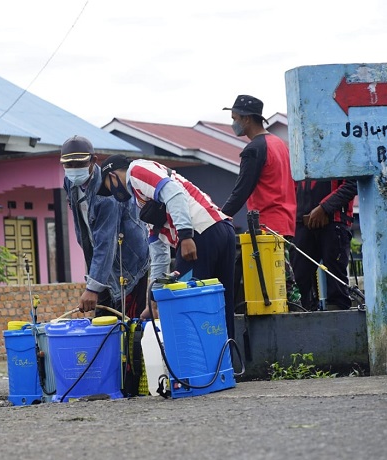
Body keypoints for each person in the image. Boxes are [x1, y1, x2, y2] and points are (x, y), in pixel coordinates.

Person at [97, 154, 237, 338]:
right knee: (221, 305)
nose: (113, 193)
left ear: (113, 176)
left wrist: (186, 236)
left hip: (199, 235)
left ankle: (198, 365)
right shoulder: (143, 198)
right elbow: (158, 250)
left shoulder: (136, 171)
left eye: (108, 187)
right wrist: (152, 299)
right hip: (222, 230)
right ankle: (229, 362)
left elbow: (174, 192)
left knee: (189, 307)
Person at [220, 95, 301, 305]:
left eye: (235, 117)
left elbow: (241, 190)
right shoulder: (279, 144)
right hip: (286, 219)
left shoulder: (254, 149)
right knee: (274, 276)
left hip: (267, 225)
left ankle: (298, 314)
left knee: (280, 280)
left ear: (247, 119)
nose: (233, 123)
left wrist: (217, 217)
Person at [59, 135, 150, 319]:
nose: (73, 170)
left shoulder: (106, 193)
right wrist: (95, 281)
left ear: (93, 161)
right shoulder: (70, 183)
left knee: (129, 326)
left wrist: (93, 288)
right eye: (68, 165)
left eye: (79, 164)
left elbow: (106, 243)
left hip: (129, 266)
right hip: (100, 265)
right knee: (103, 325)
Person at [291, 179, 358, 311]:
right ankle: (302, 315)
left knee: (336, 284)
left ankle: (338, 321)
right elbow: (292, 186)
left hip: (334, 222)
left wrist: (324, 208)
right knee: (298, 280)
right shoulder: (297, 158)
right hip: (302, 223)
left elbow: (352, 184)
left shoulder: (344, 157)